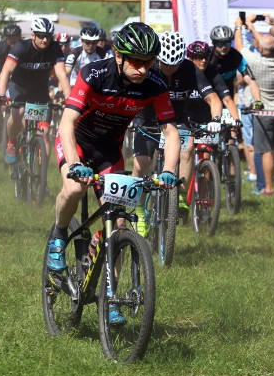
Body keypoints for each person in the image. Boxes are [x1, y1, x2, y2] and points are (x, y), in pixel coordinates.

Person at [46, 22, 179, 324]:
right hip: (76, 143)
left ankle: (109, 297)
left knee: (118, 224)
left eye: (148, 62)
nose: (143, 69)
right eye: (136, 61)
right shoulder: (94, 74)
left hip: (109, 150)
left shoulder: (156, 84)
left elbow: (171, 133)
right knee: (75, 188)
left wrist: (169, 171)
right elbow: (66, 123)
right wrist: (73, 163)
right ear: (119, 56)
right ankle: (58, 235)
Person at [132, 31, 222, 232]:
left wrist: (216, 119)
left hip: (176, 120)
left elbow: (213, 99)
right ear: (157, 59)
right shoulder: (149, 67)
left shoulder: (190, 69)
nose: (170, 71)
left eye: (175, 66)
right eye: (166, 65)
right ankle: (138, 209)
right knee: (142, 164)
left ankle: (180, 196)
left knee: (188, 146)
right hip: (148, 119)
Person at [234, 14, 274, 195]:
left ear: (261, 49)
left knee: (267, 151)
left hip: (264, 113)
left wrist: (240, 26)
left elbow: (240, 47)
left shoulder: (256, 61)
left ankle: (269, 188)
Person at [0, 17, 71, 164]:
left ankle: (40, 180)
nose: (45, 40)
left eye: (48, 37)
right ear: (33, 35)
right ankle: (12, 142)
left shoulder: (54, 48)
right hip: (18, 87)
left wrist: (70, 100)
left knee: (44, 133)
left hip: (40, 90)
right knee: (18, 114)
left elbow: (62, 74)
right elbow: (6, 71)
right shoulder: (21, 47)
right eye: (41, 36)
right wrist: (1, 94)